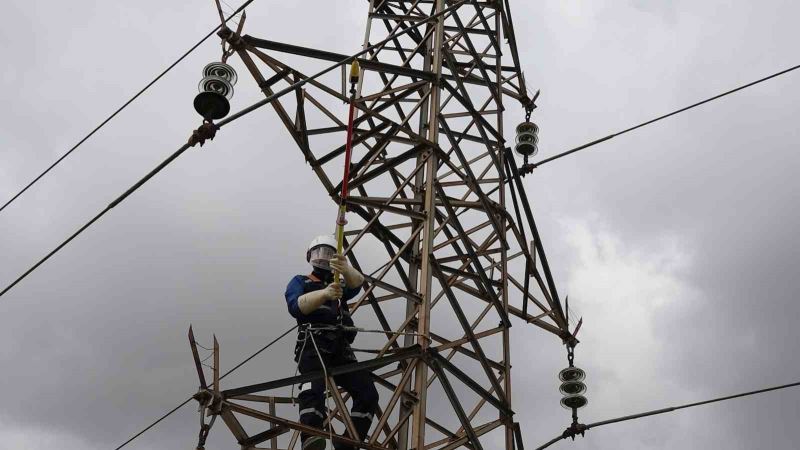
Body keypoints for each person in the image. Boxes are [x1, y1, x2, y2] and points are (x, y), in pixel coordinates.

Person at [285, 235, 379, 450]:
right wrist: (324, 294)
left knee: (367, 392)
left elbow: (357, 283)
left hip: (340, 348)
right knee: (312, 389)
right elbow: (296, 307)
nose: (324, 258)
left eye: (329, 253)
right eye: (320, 253)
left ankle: (350, 441)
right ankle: (311, 436)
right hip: (314, 345)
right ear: (310, 256)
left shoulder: (338, 284)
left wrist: (345, 268)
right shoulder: (301, 282)